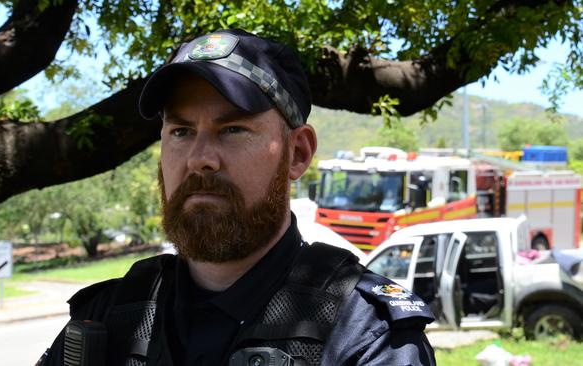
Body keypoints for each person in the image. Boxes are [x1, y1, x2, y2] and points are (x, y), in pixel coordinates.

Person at [37, 29, 436, 366]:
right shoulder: (107, 320)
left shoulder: (368, 337)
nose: (199, 159)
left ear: (297, 153)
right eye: (180, 131)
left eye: (232, 130)